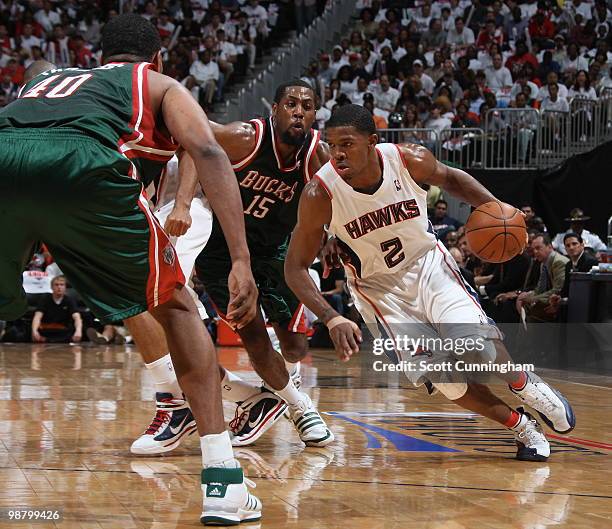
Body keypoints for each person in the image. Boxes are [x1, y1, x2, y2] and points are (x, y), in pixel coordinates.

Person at [0, 14, 262, 525]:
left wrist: (44, 74)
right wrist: (240, 259)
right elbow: (207, 149)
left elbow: (34, 63)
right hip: (84, 164)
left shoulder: (52, 79)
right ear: (157, 58)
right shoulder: (157, 83)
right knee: (178, 307)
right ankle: (224, 482)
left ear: (100, 60)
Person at [285, 104, 575, 463]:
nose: (338, 153)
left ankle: (525, 385)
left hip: (428, 267)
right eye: (332, 144)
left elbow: (452, 179)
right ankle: (521, 426)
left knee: (476, 348)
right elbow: (295, 267)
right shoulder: (319, 194)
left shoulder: (409, 160)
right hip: (380, 293)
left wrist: (494, 206)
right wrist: (332, 317)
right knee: (447, 379)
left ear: (373, 142)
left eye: (348, 143)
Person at [131, 80, 335, 454]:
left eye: (307, 106)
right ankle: (297, 406)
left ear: (314, 114)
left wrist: (335, 236)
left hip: (275, 251)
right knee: (255, 337)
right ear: (274, 109)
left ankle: (279, 394)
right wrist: (183, 203)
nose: (298, 111)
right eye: (290, 103)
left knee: (294, 344)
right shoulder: (245, 138)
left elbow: (337, 195)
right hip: (222, 251)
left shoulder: (317, 155)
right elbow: (194, 143)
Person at [516, 234, 569, 323]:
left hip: (560, 300)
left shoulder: (558, 261)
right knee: (522, 300)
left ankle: (528, 336)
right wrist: (527, 295)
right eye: (533, 249)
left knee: (530, 308)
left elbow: (558, 290)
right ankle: (523, 336)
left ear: (549, 246)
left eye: (538, 248)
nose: (535, 252)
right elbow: (539, 288)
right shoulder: (543, 263)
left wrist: (533, 299)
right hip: (551, 297)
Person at [31, 275, 82, 343]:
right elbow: (37, 317)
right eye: (56, 285)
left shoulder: (69, 300)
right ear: (52, 287)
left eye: (61, 285)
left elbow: (77, 317)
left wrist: (78, 331)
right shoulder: (45, 299)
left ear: (65, 287)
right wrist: (34, 331)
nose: (59, 287)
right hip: (47, 331)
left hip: (63, 332)